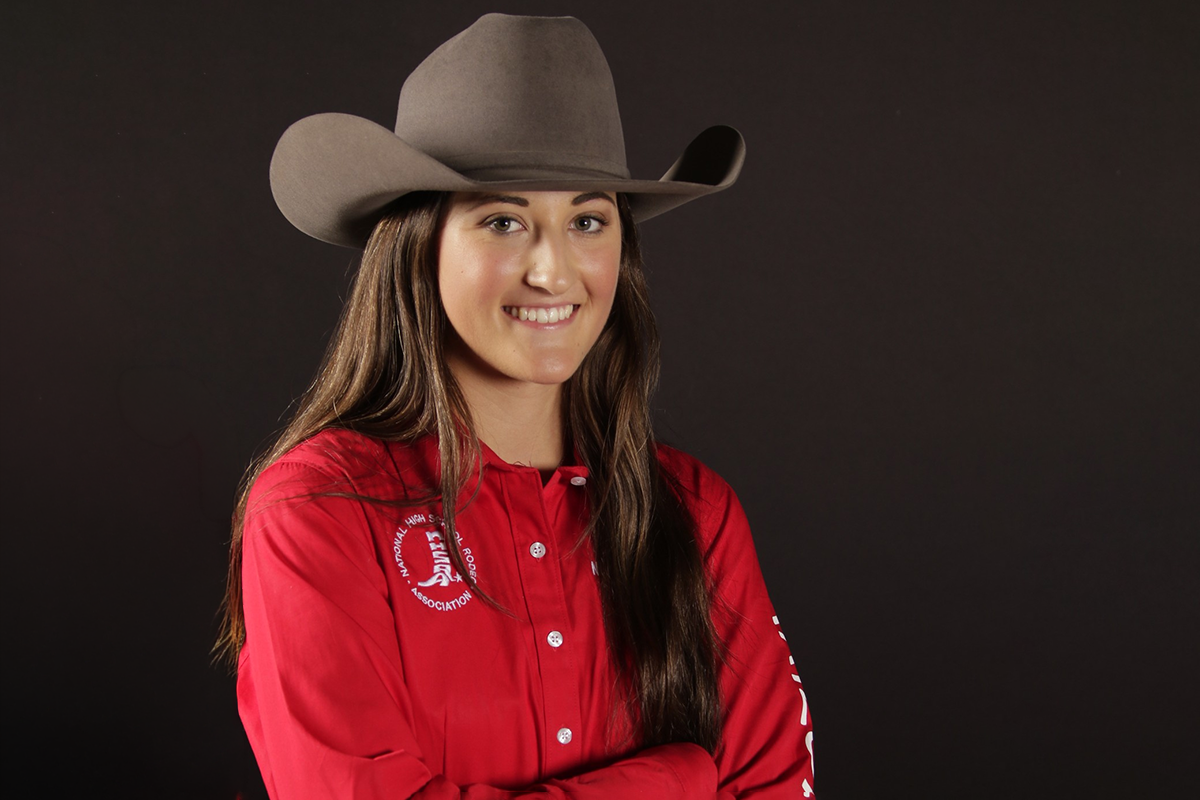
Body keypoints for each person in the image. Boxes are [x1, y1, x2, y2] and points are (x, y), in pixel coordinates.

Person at [218, 13, 815, 799]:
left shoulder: (697, 513)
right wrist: (675, 778)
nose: (553, 270)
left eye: (588, 221)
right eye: (503, 220)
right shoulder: (319, 510)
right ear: (418, 246)